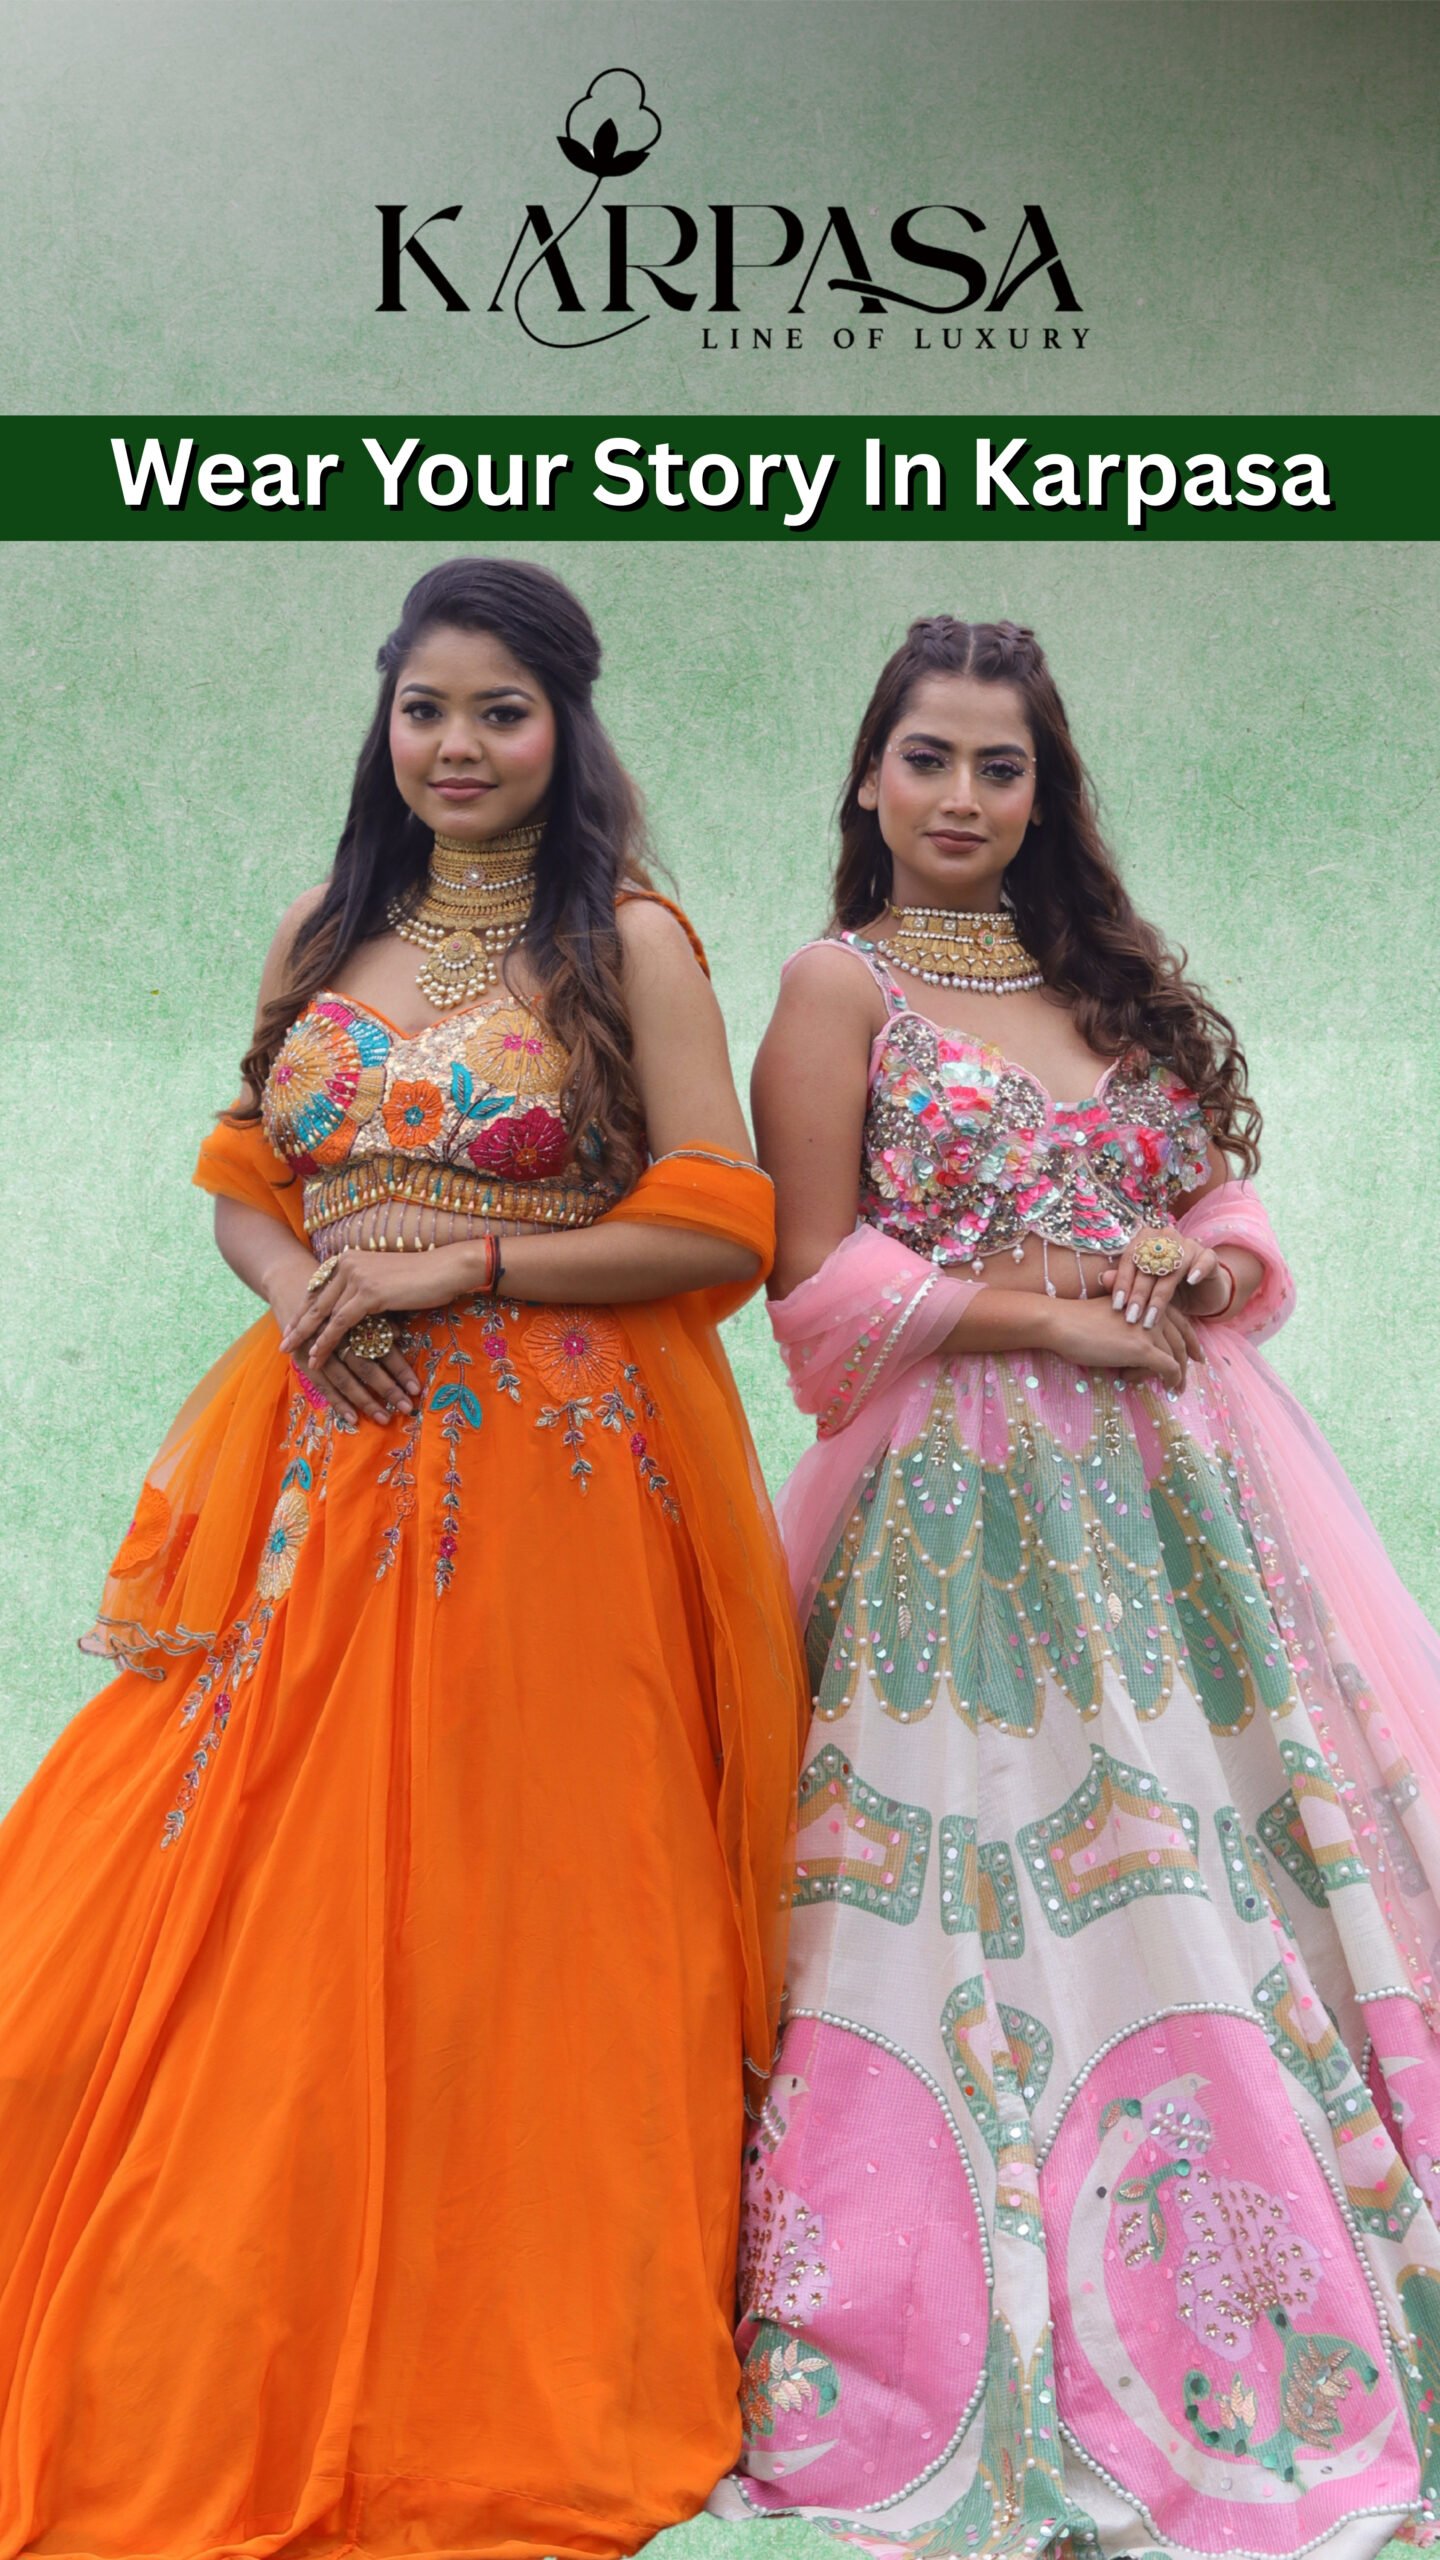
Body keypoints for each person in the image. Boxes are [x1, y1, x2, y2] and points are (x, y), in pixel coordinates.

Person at [0, 558, 806, 2560]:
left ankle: (495, 2347)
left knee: (509, 1900)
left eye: (500, 711)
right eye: (425, 707)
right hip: (314, 1473)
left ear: (566, 728)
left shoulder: (628, 942)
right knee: (214, 1878)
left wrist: (470, 1263)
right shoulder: (324, 926)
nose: (457, 746)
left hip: (544, 1489)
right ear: (386, 720)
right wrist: (300, 1289)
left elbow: (724, 1217)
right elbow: (246, 1179)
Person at [718, 616, 1440, 2560]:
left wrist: (1207, 1266)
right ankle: (961, 2310)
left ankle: (1297, 2268)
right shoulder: (837, 985)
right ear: (867, 776)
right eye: (929, 757)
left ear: (1045, 791)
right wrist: (1049, 1314)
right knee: (993, 1885)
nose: (962, 795)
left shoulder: (1105, 980)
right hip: (957, 1513)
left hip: (1194, 1490)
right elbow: (812, 1283)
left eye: (1000, 763)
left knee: (1241, 1855)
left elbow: (1219, 1198)